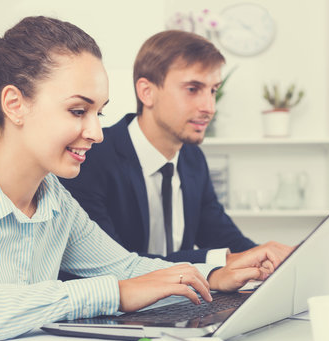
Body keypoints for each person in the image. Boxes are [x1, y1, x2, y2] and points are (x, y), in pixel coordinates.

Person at [0, 17, 283, 341]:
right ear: (15, 104)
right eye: (78, 111)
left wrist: (211, 275)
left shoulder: (56, 202)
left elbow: (126, 270)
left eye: (99, 112)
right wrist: (110, 294)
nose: (95, 132)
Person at [60, 30, 293, 265]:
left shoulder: (192, 158)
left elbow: (223, 237)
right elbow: (112, 263)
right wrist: (222, 261)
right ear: (147, 92)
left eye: (213, 90)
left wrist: (272, 257)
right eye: (193, 89)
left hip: (184, 299)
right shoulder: (91, 156)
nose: (209, 107)